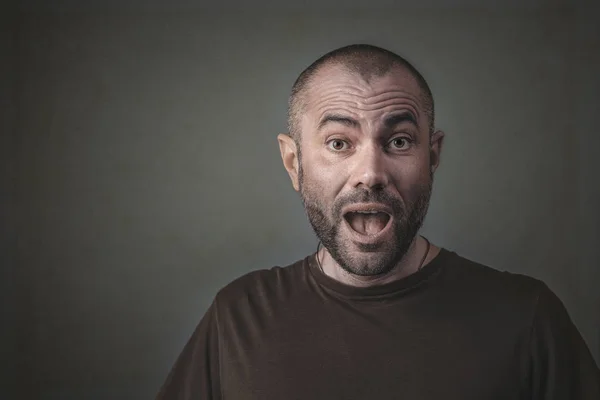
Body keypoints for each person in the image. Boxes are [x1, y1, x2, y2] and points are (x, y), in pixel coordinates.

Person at [156, 44, 600, 399]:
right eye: (338, 143)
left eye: (400, 140)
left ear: (433, 155)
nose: (371, 172)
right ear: (293, 162)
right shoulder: (237, 316)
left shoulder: (527, 316)